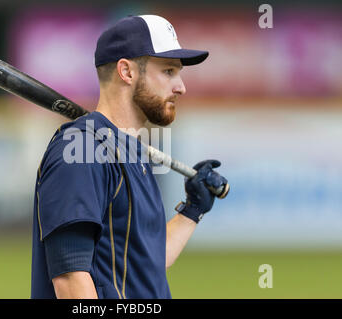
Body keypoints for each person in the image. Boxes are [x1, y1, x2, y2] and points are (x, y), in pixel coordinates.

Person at [31, 14, 227, 299]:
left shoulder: (130, 152)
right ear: (127, 72)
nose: (181, 86)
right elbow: (71, 280)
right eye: (169, 71)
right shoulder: (81, 151)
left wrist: (192, 211)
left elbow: (147, 262)